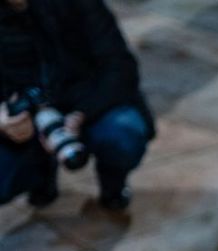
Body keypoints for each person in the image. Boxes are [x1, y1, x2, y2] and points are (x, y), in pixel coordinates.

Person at [0, 0, 154, 211]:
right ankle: (40, 173)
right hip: (22, 113)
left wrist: (84, 112)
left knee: (123, 133)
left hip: (83, 101)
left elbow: (120, 66)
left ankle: (112, 181)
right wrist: (4, 121)